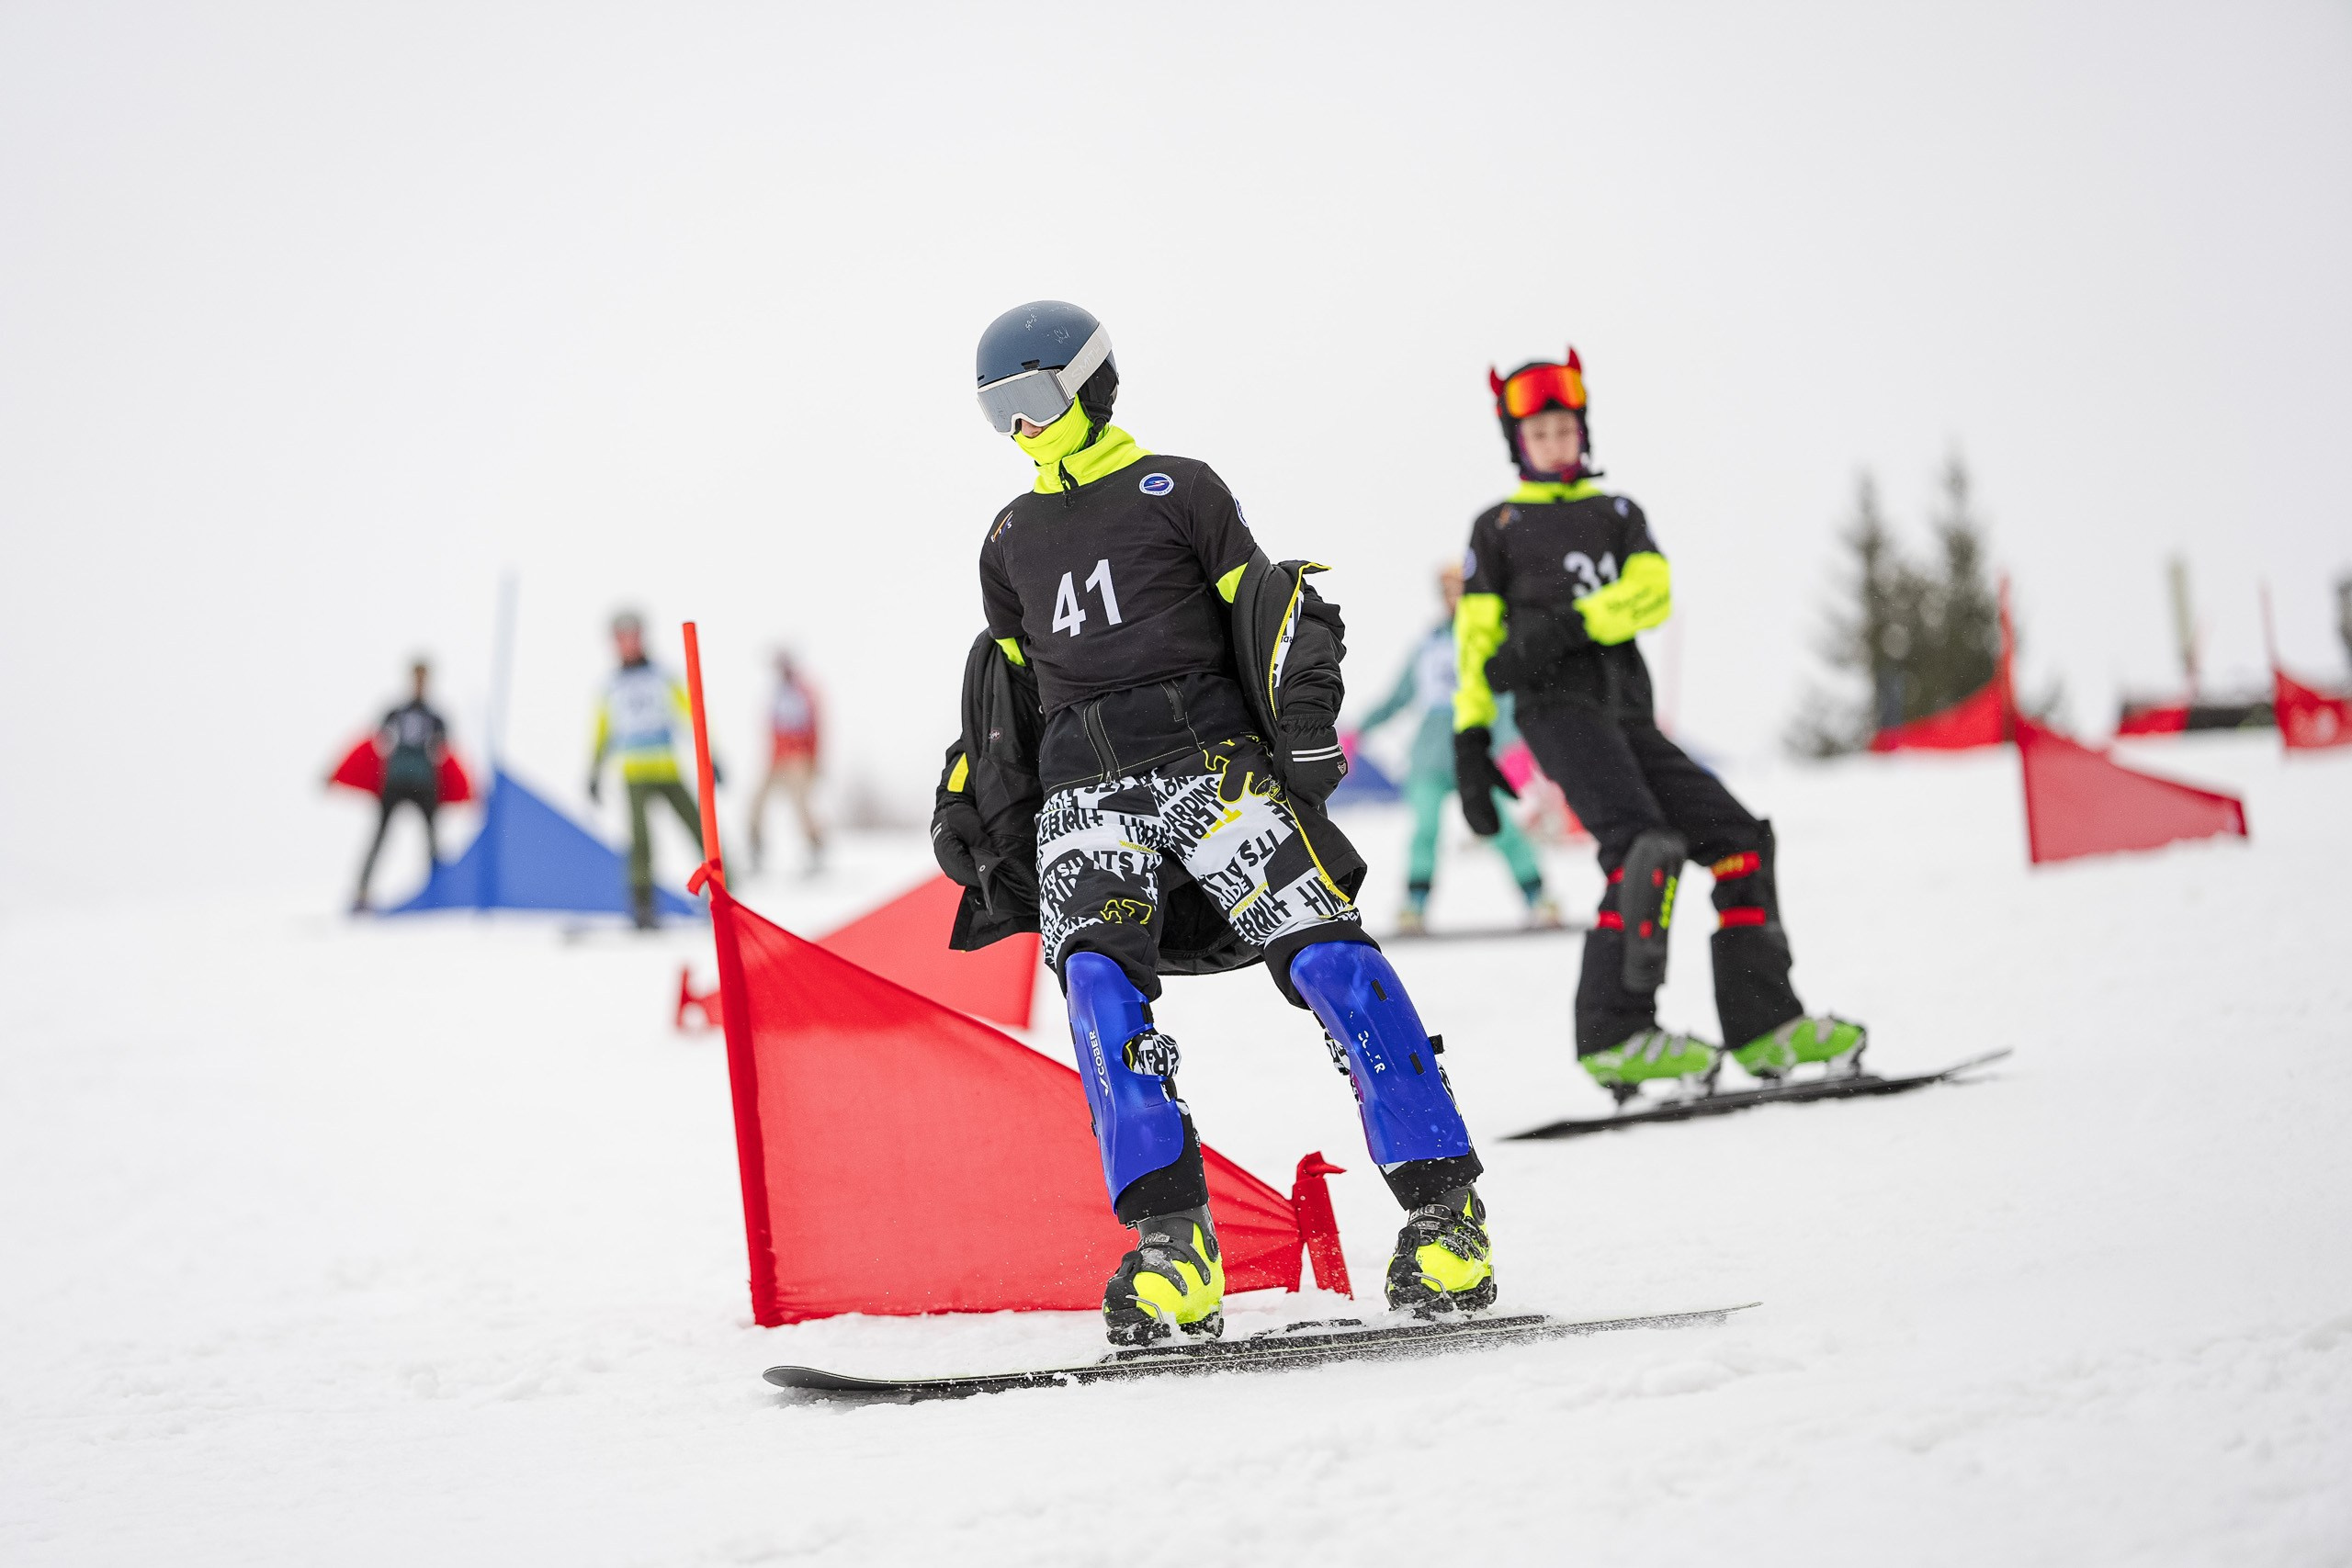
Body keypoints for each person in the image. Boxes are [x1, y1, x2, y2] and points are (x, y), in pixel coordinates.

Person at [930, 301, 1495, 1345]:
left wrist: (1310, 720)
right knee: (1096, 984)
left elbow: (1276, 611)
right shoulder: (1010, 537)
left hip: (1212, 767)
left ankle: (1443, 1215)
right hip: (1081, 794)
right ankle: (1172, 1250)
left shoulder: (1177, 489)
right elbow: (1004, 689)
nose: (1017, 425)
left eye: (1031, 398)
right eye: (995, 409)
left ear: (1088, 384)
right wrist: (964, 795)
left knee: (1330, 961)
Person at [1450, 347, 1865, 1102]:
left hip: (1625, 713)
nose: (1554, 443)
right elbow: (1478, 641)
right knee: (1643, 846)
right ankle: (1615, 1035)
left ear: (1583, 432)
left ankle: (1765, 1023)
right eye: (1538, 433)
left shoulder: (1617, 513)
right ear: (1519, 444)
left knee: (1739, 840)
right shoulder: (1498, 527)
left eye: (1564, 429)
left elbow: (1653, 592)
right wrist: (1470, 737)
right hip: (1554, 713)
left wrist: (1570, 622)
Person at [1352, 563, 1559, 934]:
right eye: (1448, 591)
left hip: (1476, 750)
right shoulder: (1428, 646)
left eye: (1460, 590)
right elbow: (1397, 698)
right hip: (1430, 756)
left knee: (1500, 827)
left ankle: (1537, 896)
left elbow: (1505, 698)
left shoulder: (1489, 639)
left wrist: (1512, 745)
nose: (1454, 598)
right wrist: (1357, 732)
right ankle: (1414, 906)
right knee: (1425, 830)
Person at [586, 612, 703, 929]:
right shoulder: (611, 685)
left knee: (698, 827)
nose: (627, 644)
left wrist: (710, 755)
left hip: (667, 769)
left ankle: (722, 892)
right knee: (641, 841)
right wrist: (594, 771)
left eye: (632, 635)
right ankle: (643, 906)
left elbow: (690, 712)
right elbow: (603, 730)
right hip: (635, 775)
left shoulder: (662, 676)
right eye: (621, 638)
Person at [352, 660, 448, 912]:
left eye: (423, 678)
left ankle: (439, 893)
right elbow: (377, 742)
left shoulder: (436, 717)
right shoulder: (395, 713)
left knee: (432, 840)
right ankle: (361, 893)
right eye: (416, 677)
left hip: (424, 784)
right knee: (380, 837)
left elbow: (445, 752)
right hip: (395, 782)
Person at [747, 650, 825, 876]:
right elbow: (770, 727)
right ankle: (756, 848)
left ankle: (815, 849)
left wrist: (815, 760)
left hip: (799, 757)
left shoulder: (805, 692)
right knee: (756, 802)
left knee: (801, 805)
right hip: (777, 758)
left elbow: (815, 726)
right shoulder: (776, 694)